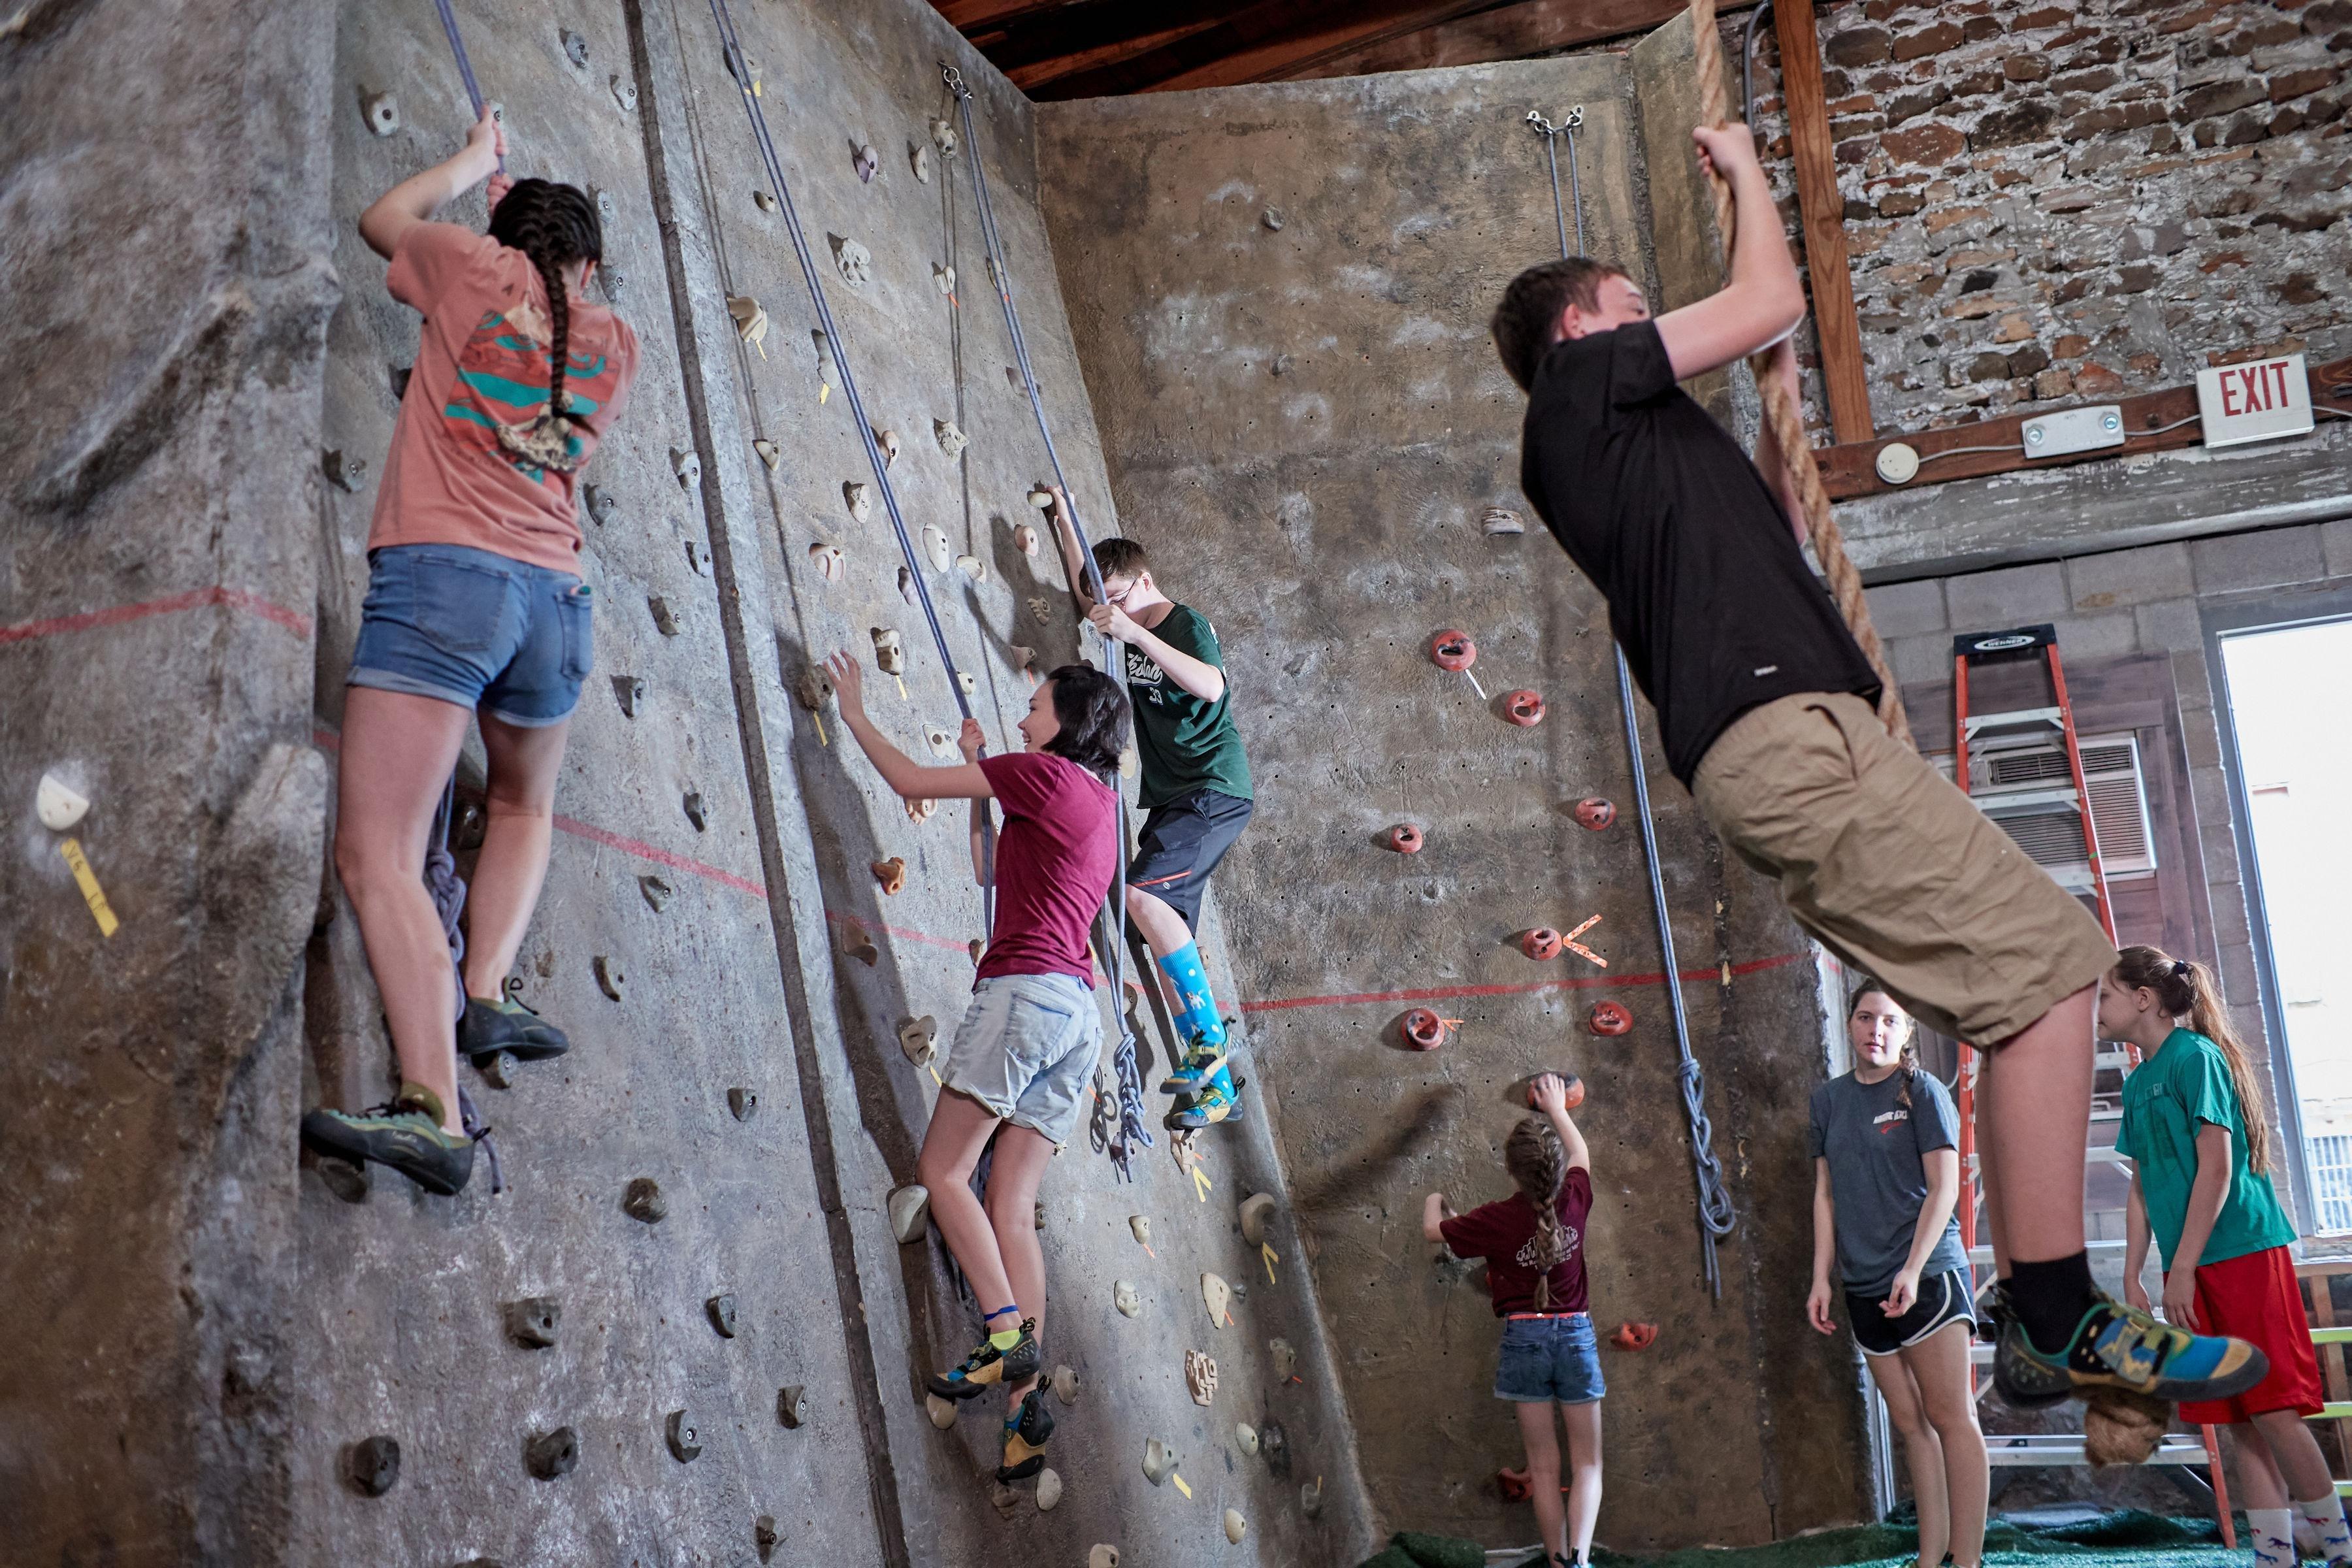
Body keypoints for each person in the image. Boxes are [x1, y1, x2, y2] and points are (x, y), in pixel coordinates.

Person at [1490, 116, 2266, 1413]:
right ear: (1583, 332)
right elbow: (1765, 294)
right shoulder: (1577, 400)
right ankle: (2053, 1312)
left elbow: (1776, 534)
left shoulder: (1653, 456)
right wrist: (1741, 168)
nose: (1650, 321)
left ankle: (2046, 1311)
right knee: (2053, 977)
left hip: (1806, 735)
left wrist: (1781, 414)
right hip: (1785, 743)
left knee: (2041, 983)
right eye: (1633, 306)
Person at [301, 107, 640, 1196]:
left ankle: (434, 1109)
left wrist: (476, 164)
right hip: (557, 595)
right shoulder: (613, 337)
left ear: (506, 231)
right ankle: (486, 982)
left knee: (380, 857)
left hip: (449, 579)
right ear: (586, 264)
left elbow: (382, 219)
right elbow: (550, 348)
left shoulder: (462, 260)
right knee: (525, 805)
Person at [823, 650, 1128, 1486]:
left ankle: (1001, 1335)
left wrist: (852, 711)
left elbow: (906, 782)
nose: (1025, 716)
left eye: (1035, 706)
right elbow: (996, 873)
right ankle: (1028, 1406)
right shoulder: (1099, 802)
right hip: (1075, 1017)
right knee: (1012, 1203)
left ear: (1066, 719)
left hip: (1024, 995)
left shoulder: (1042, 772)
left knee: (943, 1170)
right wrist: (979, 772)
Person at [2106, 945, 2352, 1568]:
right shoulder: (2137, 1083)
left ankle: (2341, 1546)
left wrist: (2181, 1266)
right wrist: (2136, 1272)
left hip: (2240, 1251)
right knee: (2238, 1418)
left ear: (2143, 999)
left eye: (2104, 996)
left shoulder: (2197, 1058)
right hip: (2189, 1265)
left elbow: (2215, 1166)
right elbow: (2139, 1185)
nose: (2096, 1009)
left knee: (2272, 1408)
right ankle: (2275, 1555)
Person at [1045, 491, 1253, 1131]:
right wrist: (1062, 517)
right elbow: (1090, 598)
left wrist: (1135, 629)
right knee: (1153, 928)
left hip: (1214, 788)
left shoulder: (1181, 622)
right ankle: (1216, 1081)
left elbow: (1213, 686)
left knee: (1141, 897)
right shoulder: (1120, 616)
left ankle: (1212, 1045)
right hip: (1171, 799)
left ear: (1146, 581)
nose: (1117, 613)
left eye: (1126, 598)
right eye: (1114, 604)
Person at [1807, 983, 1987, 1568]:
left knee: (1951, 1417)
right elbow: (1826, 1195)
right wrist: (1821, 1278)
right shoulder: (1828, 1101)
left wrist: (1911, 1268)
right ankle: (1930, 1557)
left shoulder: (1923, 1092)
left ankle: (1969, 1560)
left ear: (1906, 1032)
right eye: (1865, 1018)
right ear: (1852, 1024)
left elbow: (1945, 1190)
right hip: (1861, 1284)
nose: (1875, 1030)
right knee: (1911, 1424)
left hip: (1927, 1276)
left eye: (1889, 1021)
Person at [1424, 1074, 1601, 1568]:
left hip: (1524, 1337)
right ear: (1559, 1172)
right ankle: (1578, 1564)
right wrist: (1558, 1109)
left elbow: (1431, 1231)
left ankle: (1553, 1559)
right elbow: (1581, 1153)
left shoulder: (1495, 1220)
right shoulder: (1575, 1200)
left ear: (1510, 1170)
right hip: (1576, 1337)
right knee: (1588, 1463)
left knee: (1543, 1469)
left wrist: (1437, 1201)